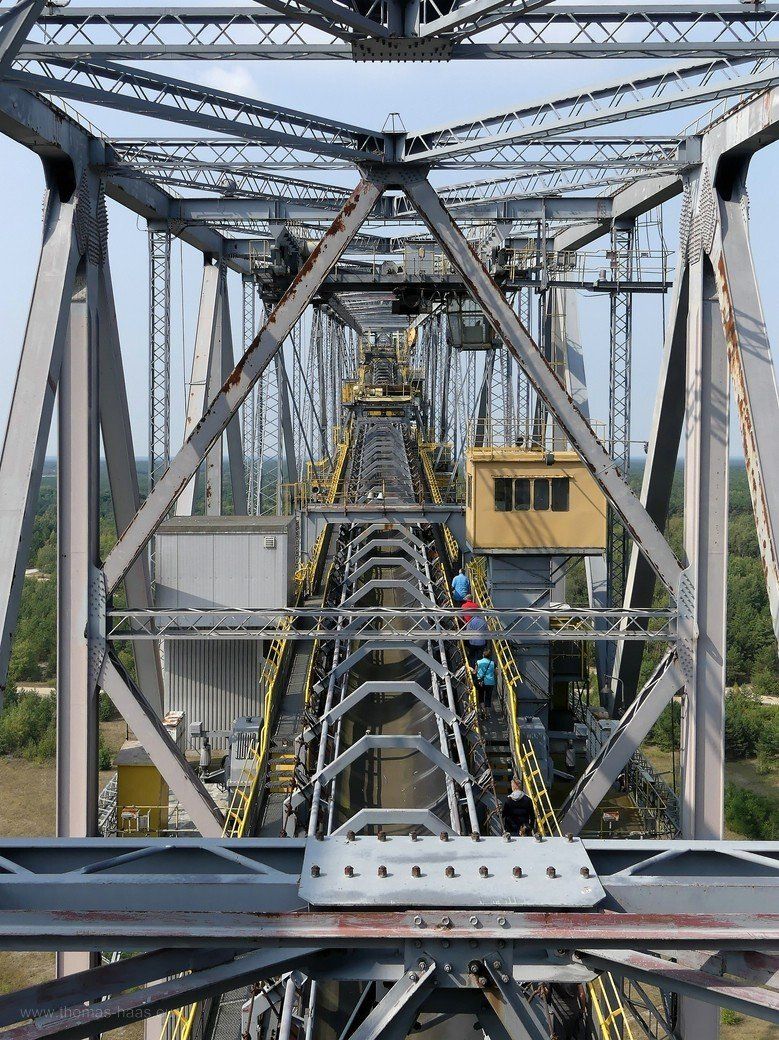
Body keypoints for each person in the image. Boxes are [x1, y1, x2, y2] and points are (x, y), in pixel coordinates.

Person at [473, 647, 496, 716]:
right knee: (488, 697)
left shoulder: (478, 662)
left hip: (481, 682)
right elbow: (496, 673)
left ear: (483, 655)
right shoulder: (493, 663)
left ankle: (482, 710)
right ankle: (487, 712)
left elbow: (475, 672)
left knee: (481, 695)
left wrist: (470, 669)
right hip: (490, 682)